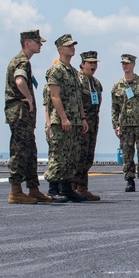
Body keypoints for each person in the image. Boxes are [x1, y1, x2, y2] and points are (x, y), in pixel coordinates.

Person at [5, 29, 51, 204]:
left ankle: (33, 189)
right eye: (37, 42)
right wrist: (29, 97)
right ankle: (15, 191)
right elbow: (19, 80)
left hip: (23, 114)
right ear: (27, 43)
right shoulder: (22, 61)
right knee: (20, 151)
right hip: (20, 113)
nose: (40, 45)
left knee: (30, 150)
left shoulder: (23, 61)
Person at [45, 34, 88, 203]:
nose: (72, 48)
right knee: (59, 155)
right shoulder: (56, 70)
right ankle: (53, 188)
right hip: (62, 120)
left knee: (72, 155)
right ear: (60, 49)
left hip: (76, 119)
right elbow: (54, 96)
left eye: (73, 45)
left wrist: (83, 118)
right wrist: (63, 118)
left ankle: (67, 187)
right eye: (69, 45)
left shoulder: (73, 72)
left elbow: (78, 98)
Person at [111, 54, 139, 193]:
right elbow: (114, 108)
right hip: (125, 126)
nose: (125, 66)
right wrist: (116, 125)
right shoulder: (117, 86)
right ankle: (129, 180)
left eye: (128, 63)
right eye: (123, 63)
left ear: (133, 64)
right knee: (127, 154)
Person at [73, 51, 104, 201]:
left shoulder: (96, 83)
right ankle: (73, 187)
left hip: (93, 122)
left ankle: (82, 188)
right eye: (90, 63)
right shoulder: (77, 81)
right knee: (79, 155)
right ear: (82, 64)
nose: (93, 66)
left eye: (95, 63)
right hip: (82, 123)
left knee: (88, 156)